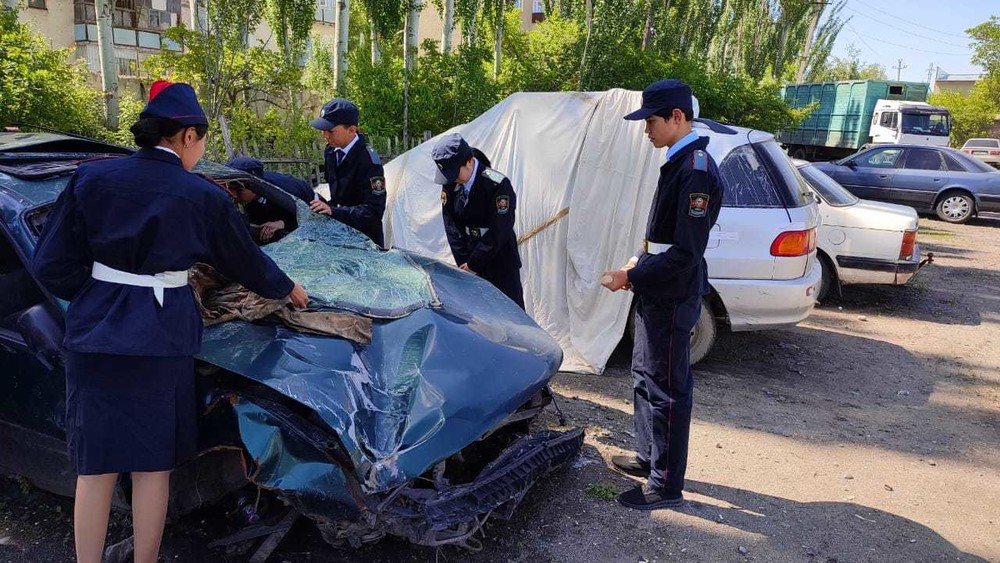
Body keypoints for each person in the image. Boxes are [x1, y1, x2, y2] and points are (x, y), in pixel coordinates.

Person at [31, 80, 310, 563]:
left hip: (95, 336)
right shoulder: (201, 195)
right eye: (201, 143)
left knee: (94, 468)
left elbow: (49, 263)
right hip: (161, 338)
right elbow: (243, 259)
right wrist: (287, 288)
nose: (201, 153)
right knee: (151, 466)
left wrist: (100, 294)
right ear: (187, 135)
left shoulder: (91, 178)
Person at [601, 79, 722, 510]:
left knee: (668, 388)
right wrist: (637, 260)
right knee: (644, 375)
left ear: (677, 117)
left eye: (651, 121)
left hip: (671, 294)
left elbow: (686, 253)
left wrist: (630, 276)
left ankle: (666, 484)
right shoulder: (679, 161)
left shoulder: (696, 171)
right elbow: (662, 237)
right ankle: (649, 456)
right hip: (656, 289)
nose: (646, 129)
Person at [432, 133, 524, 309]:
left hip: (500, 263)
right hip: (468, 262)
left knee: (510, 317)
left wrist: (474, 264)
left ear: (469, 162)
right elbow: (451, 226)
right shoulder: (450, 183)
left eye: (454, 173)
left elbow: (499, 231)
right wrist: (464, 263)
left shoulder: (497, 185)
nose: (452, 179)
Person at [307, 98, 386, 247]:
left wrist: (334, 211)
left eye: (330, 131)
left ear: (351, 130)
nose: (325, 136)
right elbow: (336, 195)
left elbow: (373, 212)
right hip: (340, 233)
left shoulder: (369, 162)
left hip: (365, 240)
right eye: (323, 130)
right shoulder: (331, 152)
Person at [226, 155, 316, 205]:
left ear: (254, 185)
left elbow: (307, 213)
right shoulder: (250, 198)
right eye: (230, 189)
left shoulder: (284, 191)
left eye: (239, 190)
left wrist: (283, 223)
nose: (234, 195)